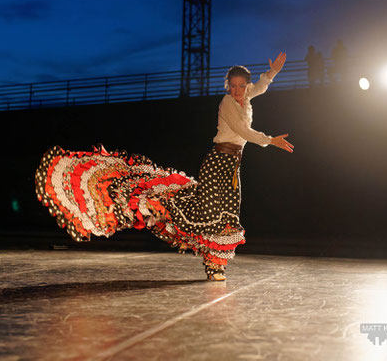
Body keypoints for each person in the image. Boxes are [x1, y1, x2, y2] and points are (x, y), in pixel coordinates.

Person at [35, 53, 293, 281]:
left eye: (241, 86)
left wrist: (272, 72)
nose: (238, 90)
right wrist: (270, 140)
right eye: (233, 86)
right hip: (218, 163)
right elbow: (242, 131)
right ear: (228, 86)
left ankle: (217, 265)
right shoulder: (227, 103)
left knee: (226, 218)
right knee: (209, 214)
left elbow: (260, 87)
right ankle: (173, 224)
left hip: (232, 167)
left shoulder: (246, 97)